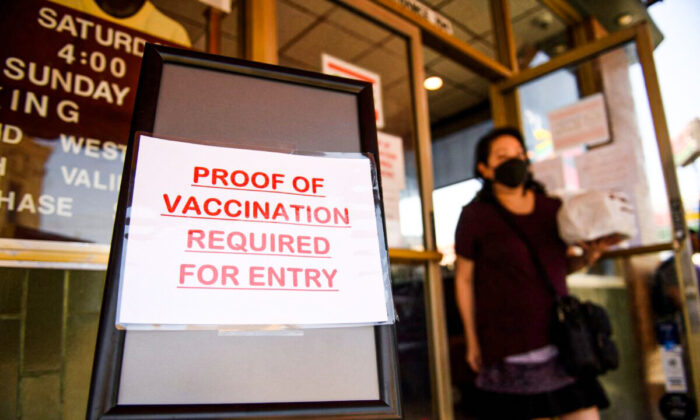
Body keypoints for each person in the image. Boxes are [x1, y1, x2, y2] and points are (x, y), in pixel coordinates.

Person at [454, 127, 618, 419]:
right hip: (508, 345)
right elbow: (464, 280)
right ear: (484, 168)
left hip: (563, 341)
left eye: (519, 154)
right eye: (502, 156)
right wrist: (472, 339)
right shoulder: (475, 216)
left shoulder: (552, 208)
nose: (514, 161)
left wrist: (589, 256)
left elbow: (564, 267)